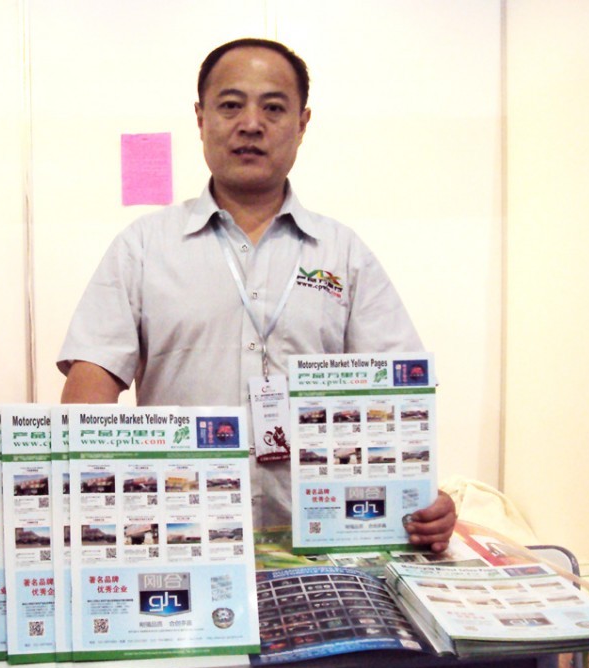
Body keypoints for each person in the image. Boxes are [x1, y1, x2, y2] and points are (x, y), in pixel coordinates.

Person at [58, 37, 456, 552]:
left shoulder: (343, 253)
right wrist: (89, 497)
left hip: (320, 547)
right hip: (184, 540)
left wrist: (419, 496)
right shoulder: (143, 247)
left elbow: (398, 395)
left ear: (302, 124)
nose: (251, 124)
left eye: (273, 108)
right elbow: (90, 388)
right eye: (230, 105)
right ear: (201, 118)